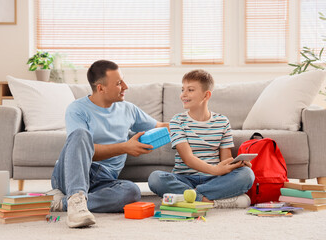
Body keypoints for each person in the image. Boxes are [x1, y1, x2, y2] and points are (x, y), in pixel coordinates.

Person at [48, 60, 169, 228]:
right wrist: (124, 147)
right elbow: (81, 149)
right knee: (81, 134)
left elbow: (160, 126)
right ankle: (76, 198)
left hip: (104, 178)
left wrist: (189, 123)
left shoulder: (128, 109)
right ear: (100, 88)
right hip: (71, 172)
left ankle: (64, 203)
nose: (126, 86)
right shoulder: (77, 109)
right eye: (119, 83)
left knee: (131, 192)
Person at [148, 69, 255, 208]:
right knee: (155, 178)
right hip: (185, 179)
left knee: (247, 174)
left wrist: (237, 164)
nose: (183, 95)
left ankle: (191, 197)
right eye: (182, 90)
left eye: (190, 90)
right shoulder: (177, 121)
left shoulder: (222, 121)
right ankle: (209, 201)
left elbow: (225, 159)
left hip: (214, 180)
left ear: (206, 95)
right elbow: (188, 159)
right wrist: (215, 169)